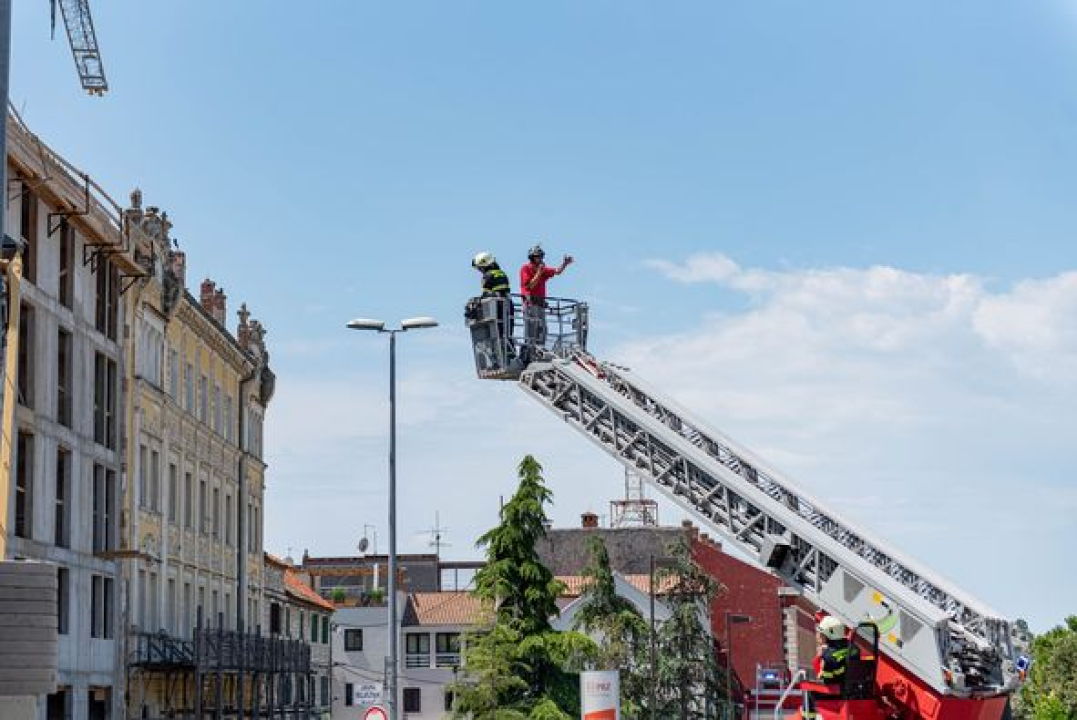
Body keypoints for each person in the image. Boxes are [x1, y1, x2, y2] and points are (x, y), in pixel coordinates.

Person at [519, 244, 573, 351]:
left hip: (540, 305)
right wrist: (539, 273)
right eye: (537, 257)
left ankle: (540, 350)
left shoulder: (542, 269)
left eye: (541, 256)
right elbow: (529, 286)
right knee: (531, 329)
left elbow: (557, 271)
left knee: (543, 329)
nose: (540, 259)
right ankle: (530, 351)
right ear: (532, 258)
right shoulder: (525, 268)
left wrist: (565, 263)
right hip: (530, 304)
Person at [802, 615, 850, 719]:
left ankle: (808, 718)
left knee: (808, 692)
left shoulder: (828, 656)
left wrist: (820, 661)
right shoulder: (853, 648)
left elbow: (827, 680)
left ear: (829, 635)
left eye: (820, 633)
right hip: (854, 691)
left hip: (837, 692)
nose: (818, 636)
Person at [472, 251, 515, 358]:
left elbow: (486, 294)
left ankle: (499, 357)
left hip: (497, 307)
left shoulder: (487, 275)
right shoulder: (501, 273)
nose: (479, 270)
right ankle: (511, 355)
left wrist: (477, 303)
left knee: (496, 334)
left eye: (479, 268)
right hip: (508, 305)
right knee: (507, 333)